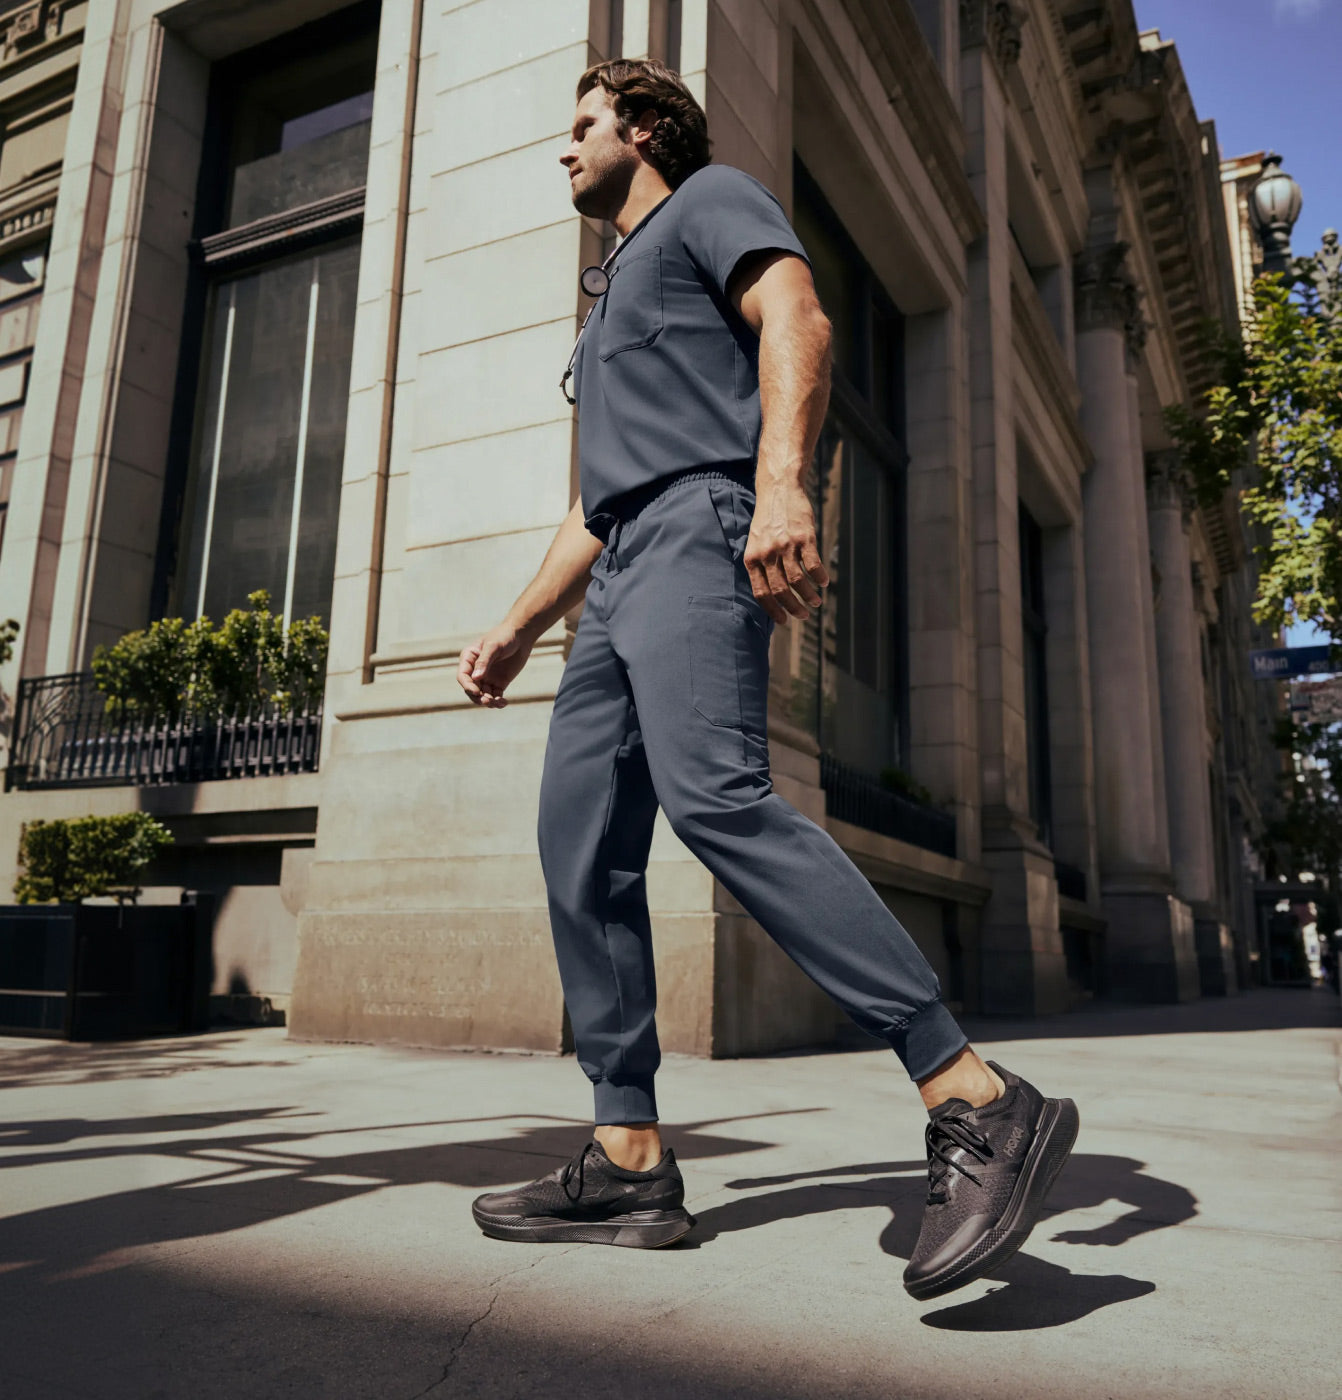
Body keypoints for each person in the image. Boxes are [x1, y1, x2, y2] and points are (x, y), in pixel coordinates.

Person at [456, 58, 1078, 1300]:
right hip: (620, 561)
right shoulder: (606, 299)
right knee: (578, 840)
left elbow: (801, 319)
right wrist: (520, 624)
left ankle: (974, 1091)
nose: (564, 148)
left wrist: (781, 484)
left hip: (700, 524)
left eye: (582, 125)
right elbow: (592, 501)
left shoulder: (711, 199)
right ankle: (627, 1155)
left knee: (717, 795)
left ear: (644, 127)